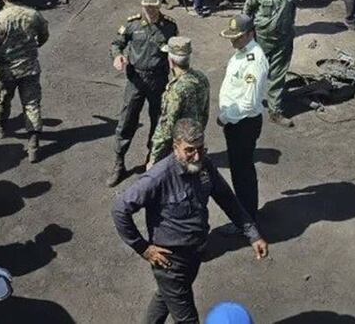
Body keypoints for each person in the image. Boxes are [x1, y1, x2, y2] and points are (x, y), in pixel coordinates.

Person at [112, 118, 269, 324]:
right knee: (187, 319)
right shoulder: (158, 178)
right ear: (175, 147)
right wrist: (143, 248)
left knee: (165, 296)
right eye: (189, 150)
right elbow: (119, 209)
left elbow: (227, 198)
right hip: (170, 262)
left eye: (200, 149)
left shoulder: (204, 165)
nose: (196, 156)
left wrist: (253, 234)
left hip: (194, 252)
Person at [108, 0, 179, 186]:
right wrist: (117, 56)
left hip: (158, 80)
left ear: (159, 4)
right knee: (127, 120)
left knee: (158, 121)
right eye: (147, 6)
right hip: (136, 79)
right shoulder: (132, 24)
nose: (151, 10)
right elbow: (116, 43)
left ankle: (153, 159)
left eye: (154, 6)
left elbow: (174, 54)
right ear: (142, 5)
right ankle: (119, 162)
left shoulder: (170, 26)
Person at [0, 0, 50, 159]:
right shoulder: (33, 15)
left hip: (6, 71)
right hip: (30, 68)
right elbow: (44, 35)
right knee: (31, 104)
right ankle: (33, 143)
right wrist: (32, 49)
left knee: (2, 100)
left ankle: (1, 127)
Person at [217, 14, 268, 218]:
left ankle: (247, 218)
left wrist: (225, 117)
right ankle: (248, 212)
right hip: (237, 123)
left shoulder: (254, 61)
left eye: (237, 37)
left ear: (250, 34)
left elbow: (248, 103)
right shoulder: (241, 51)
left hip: (243, 124)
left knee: (242, 172)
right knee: (239, 170)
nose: (232, 40)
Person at [243, 0, 297, 128]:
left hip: (283, 40)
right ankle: (246, 105)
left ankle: (275, 111)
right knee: (254, 73)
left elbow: (292, 12)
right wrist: (247, 35)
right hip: (261, 40)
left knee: (278, 77)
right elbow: (247, 11)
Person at [148, 37, 210, 167]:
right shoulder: (201, 78)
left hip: (181, 147)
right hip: (196, 140)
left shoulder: (176, 89)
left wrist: (154, 156)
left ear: (171, 61)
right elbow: (205, 112)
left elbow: (166, 127)